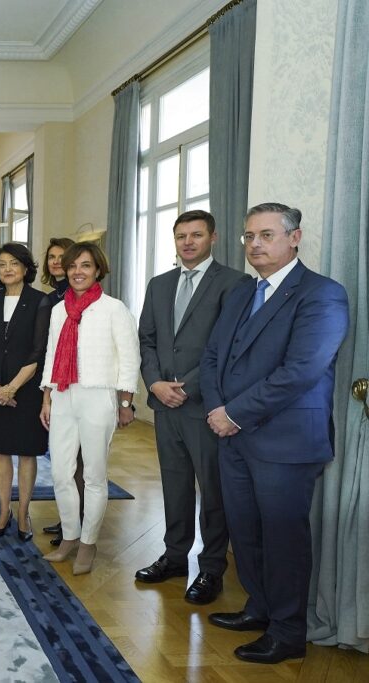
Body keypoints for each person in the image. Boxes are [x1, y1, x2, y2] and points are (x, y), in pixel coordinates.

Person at [200, 203, 348, 664]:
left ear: (294, 238)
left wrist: (234, 413)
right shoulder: (244, 291)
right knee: (245, 532)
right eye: (248, 237)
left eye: (266, 235)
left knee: (283, 538)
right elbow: (212, 356)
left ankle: (287, 632)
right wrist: (216, 409)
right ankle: (259, 608)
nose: (255, 245)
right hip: (233, 436)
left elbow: (301, 371)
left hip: (285, 441)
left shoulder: (322, 294)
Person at [135, 210, 249, 605]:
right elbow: (146, 339)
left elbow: (230, 345)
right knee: (174, 485)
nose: (188, 242)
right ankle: (175, 556)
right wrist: (154, 383)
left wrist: (187, 386)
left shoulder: (236, 283)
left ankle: (213, 567)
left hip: (206, 406)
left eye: (196, 235)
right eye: (181, 235)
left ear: (213, 238)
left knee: (212, 491)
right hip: (165, 405)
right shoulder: (159, 284)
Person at [39, 242, 139, 575]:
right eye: (72, 266)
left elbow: (129, 358)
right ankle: (69, 536)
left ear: (98, 270)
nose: (77, 272)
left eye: (85, 266)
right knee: (60, 472)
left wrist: (126, 402)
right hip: (63, 394)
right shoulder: (58, 310)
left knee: (94, 475)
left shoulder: (113, 308)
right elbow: (52, 355)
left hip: (99, 395)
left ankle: (88, 542)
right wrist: (47, 396)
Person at [0, 243, 51, 540]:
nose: (7, 269)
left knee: (28, 452)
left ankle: (23, 513)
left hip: (27, 390)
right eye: (2, 264)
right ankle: (4, 510)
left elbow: (38, 351)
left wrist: (12, 388)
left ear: (25, 268)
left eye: (14, 263)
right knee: (1, 451)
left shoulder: (40, 301)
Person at [38, 237, 83, 546]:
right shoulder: (50, 297)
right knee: (63, 460)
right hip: (53, 382)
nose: (56, 262)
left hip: (77, 384)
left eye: (61, 257)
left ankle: (78, 523)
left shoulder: (80, 297)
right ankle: (68, 519)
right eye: (51, 257)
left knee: (78, 460)